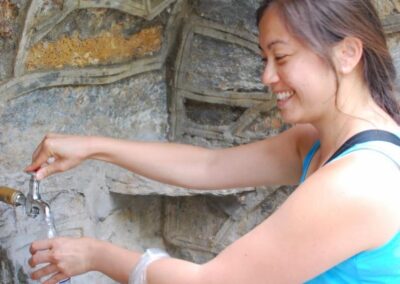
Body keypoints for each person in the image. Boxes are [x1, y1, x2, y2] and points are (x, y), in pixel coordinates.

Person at [26, 0, 400, 283]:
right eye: (264, 58)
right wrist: (93, 147)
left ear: (347, 53)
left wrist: (95, 254)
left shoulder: (357, 183)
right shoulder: (319, 142)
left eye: (281, 56)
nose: (267, 76)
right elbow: (209, 166)